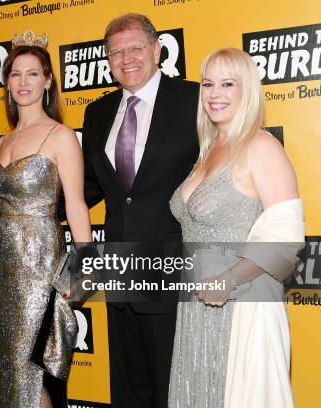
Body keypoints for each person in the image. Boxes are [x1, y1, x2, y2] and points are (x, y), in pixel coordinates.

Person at [168, 48, 304, 408]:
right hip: (197, 302)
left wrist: (229, 279)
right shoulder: (210, 148)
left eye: (228, 84)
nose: (215, 93)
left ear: (248, 90)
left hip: (243, 300)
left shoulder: (260, 146)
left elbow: (285, 231)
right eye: (208, 84)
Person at [79, 13, 199, 408]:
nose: (126, 58)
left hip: (174, 271)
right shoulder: (97, 113)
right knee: (129, 390)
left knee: (175, 388)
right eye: (116, 52)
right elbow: (89, 186)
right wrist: (18, 199)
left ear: (157, 51)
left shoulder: (193, 100)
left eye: (135, 48)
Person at [0, 30, 92, 407]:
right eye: (15, 74)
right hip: (4, 266)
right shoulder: (3, 142)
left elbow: (75, 205)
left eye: (32, 74)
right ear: (6, 83)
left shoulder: (61, 137)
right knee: (11, 366)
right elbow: (2, 200)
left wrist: (83, 268)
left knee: (37, 365)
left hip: (42, 263)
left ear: (48, 81)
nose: (23, 83)